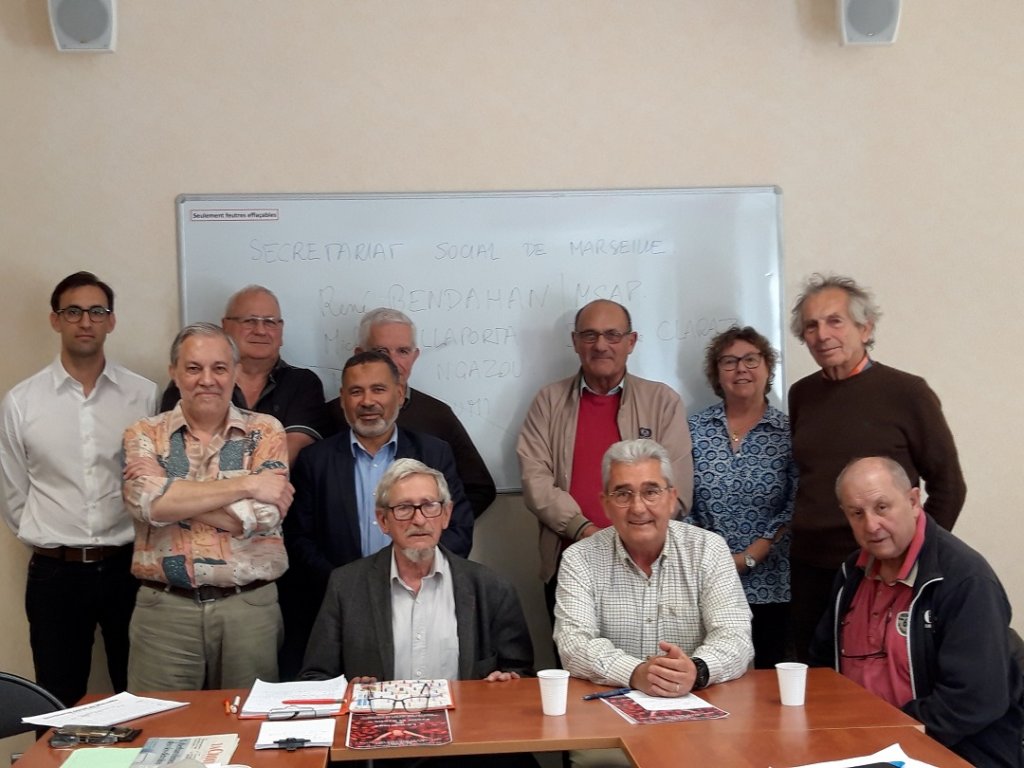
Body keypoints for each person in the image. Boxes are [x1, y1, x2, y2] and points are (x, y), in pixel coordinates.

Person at [788, 273, 966, 661]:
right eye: (812, 326)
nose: (822, 334)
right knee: (815, 675)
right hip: (810, 567)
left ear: (865, 327)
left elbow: (949, 486)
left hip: (879, 568)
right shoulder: (801, 394)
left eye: (835, 321)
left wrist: (910, 554)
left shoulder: (907, 392)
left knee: (877, 675)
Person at [0, 271, 157, 707]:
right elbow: (14, 495)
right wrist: (54, 536)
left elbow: (156, 483)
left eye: (97, 311)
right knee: (57, 699)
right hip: (56, 573)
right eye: (73, 311)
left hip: (131, 567)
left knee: (141, 695)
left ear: (111, 321)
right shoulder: (21, 402)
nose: (85, 321)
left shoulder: (142, 396)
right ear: (55, 320)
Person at [810, 457, 1023, 767]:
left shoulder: (965, 580)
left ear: (913, 501)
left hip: (951, 750)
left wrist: (887, 734)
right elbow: (823, 667)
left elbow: (973, 701)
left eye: (882, 508)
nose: (871, 525)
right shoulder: (851, 573)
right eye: (857, 514)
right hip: (862, 745)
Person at [554, 439, 751, 768]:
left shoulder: (709, 550)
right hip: (608, 718)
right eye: (623, 493)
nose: (638, 508)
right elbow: (573, 644)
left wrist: (696, 670)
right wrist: (635, 673)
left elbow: (735, 637)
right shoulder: (580, 559)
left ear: (672, 498)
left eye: (651, 491)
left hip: (701, 711)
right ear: (604, 503)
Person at [281, 351, 474, 678]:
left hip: (423, 597)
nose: (367, 401)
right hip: (343, 608)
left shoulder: (433, 451)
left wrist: (423, 577)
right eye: (356, 392)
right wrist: (345, 587)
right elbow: (299, 538)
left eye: (378, 390)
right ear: (342, 400)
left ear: (399, 394)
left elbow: (457, 527)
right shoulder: (316, 461)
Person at [122, 322, 293, 690]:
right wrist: (247, 484)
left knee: (250, 733)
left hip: (247, 608)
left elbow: (260, 516)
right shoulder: (143, 433)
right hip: (165, 611)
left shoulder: (266, 431)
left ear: (234, 372)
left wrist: (168, 492)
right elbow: (144, 504)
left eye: (218, 368)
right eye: (193, 368)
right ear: (174, 373)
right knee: (159, 732)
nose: (207, 379)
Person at [517, 299, 693, 624]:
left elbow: (677, 491)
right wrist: (583, 530)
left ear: (631, 341)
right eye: (589, 335)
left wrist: (626, 540)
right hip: (571, 563)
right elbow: (534, 479)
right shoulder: (548, 402)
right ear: (574, 342)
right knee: (575, 667)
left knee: (647, 667)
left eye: (612, 335)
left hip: (647, 566)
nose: (600, 345)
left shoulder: (663, 401)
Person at [301, 458, 531, 682]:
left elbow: (521, 673)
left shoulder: (491, 587)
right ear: (383, 520)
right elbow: (316, 677)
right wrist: (349, 694)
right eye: (404, 508)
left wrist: (506, 681)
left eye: (429, 505)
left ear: (446, 515)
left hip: (464, 719)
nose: (419, 520)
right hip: (381, 719)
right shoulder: (346, 585)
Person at [686, 326, 795, 668]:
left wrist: (753, 554)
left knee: (766, 686)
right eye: (729, 361)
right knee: (712, 677)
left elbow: (796, 502)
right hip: (704, 577)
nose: (741, 369)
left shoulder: (789, 432)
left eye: (751, 359)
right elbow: (678, 498)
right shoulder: (693, 429)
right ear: (716, 373)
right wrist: (714, 558)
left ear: (767, 367)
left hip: (772, 582)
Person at [326, 307, 496, 517]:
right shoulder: (333, 415)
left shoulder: (437, 415)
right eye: (381, 352)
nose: (393, 362)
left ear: (415, 356)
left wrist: (438, 535)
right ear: (360, 355)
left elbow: (479, 488)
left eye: (403, 351)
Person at [160, 285, 328, 464]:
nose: (261, 331)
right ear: (225, 326)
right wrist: (246, 483)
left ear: (281, 330)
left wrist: (227, 479)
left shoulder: (302, 384)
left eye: (270, 322)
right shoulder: (194, 383)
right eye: (249, 321)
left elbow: (286, 455)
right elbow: (178, 457)